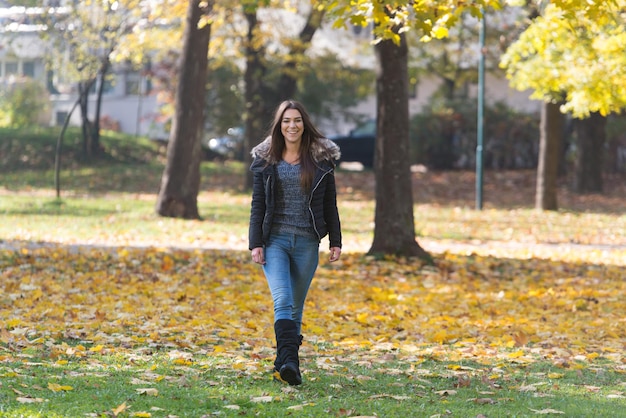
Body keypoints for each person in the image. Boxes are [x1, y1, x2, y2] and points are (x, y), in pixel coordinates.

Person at [248, 100, 342, 386]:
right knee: (283, 300)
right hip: (274, 240)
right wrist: (256, 243)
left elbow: (330, 203)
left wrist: (335, 240)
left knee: (296, 308)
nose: (292, 125)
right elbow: (258, 204)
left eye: (297, 120)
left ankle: (283, 365)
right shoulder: (266, 160)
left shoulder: (321, 160)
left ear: (304, 124)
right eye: (287, 121)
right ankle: (291, 362)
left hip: (307, 242)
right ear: (279, 125)